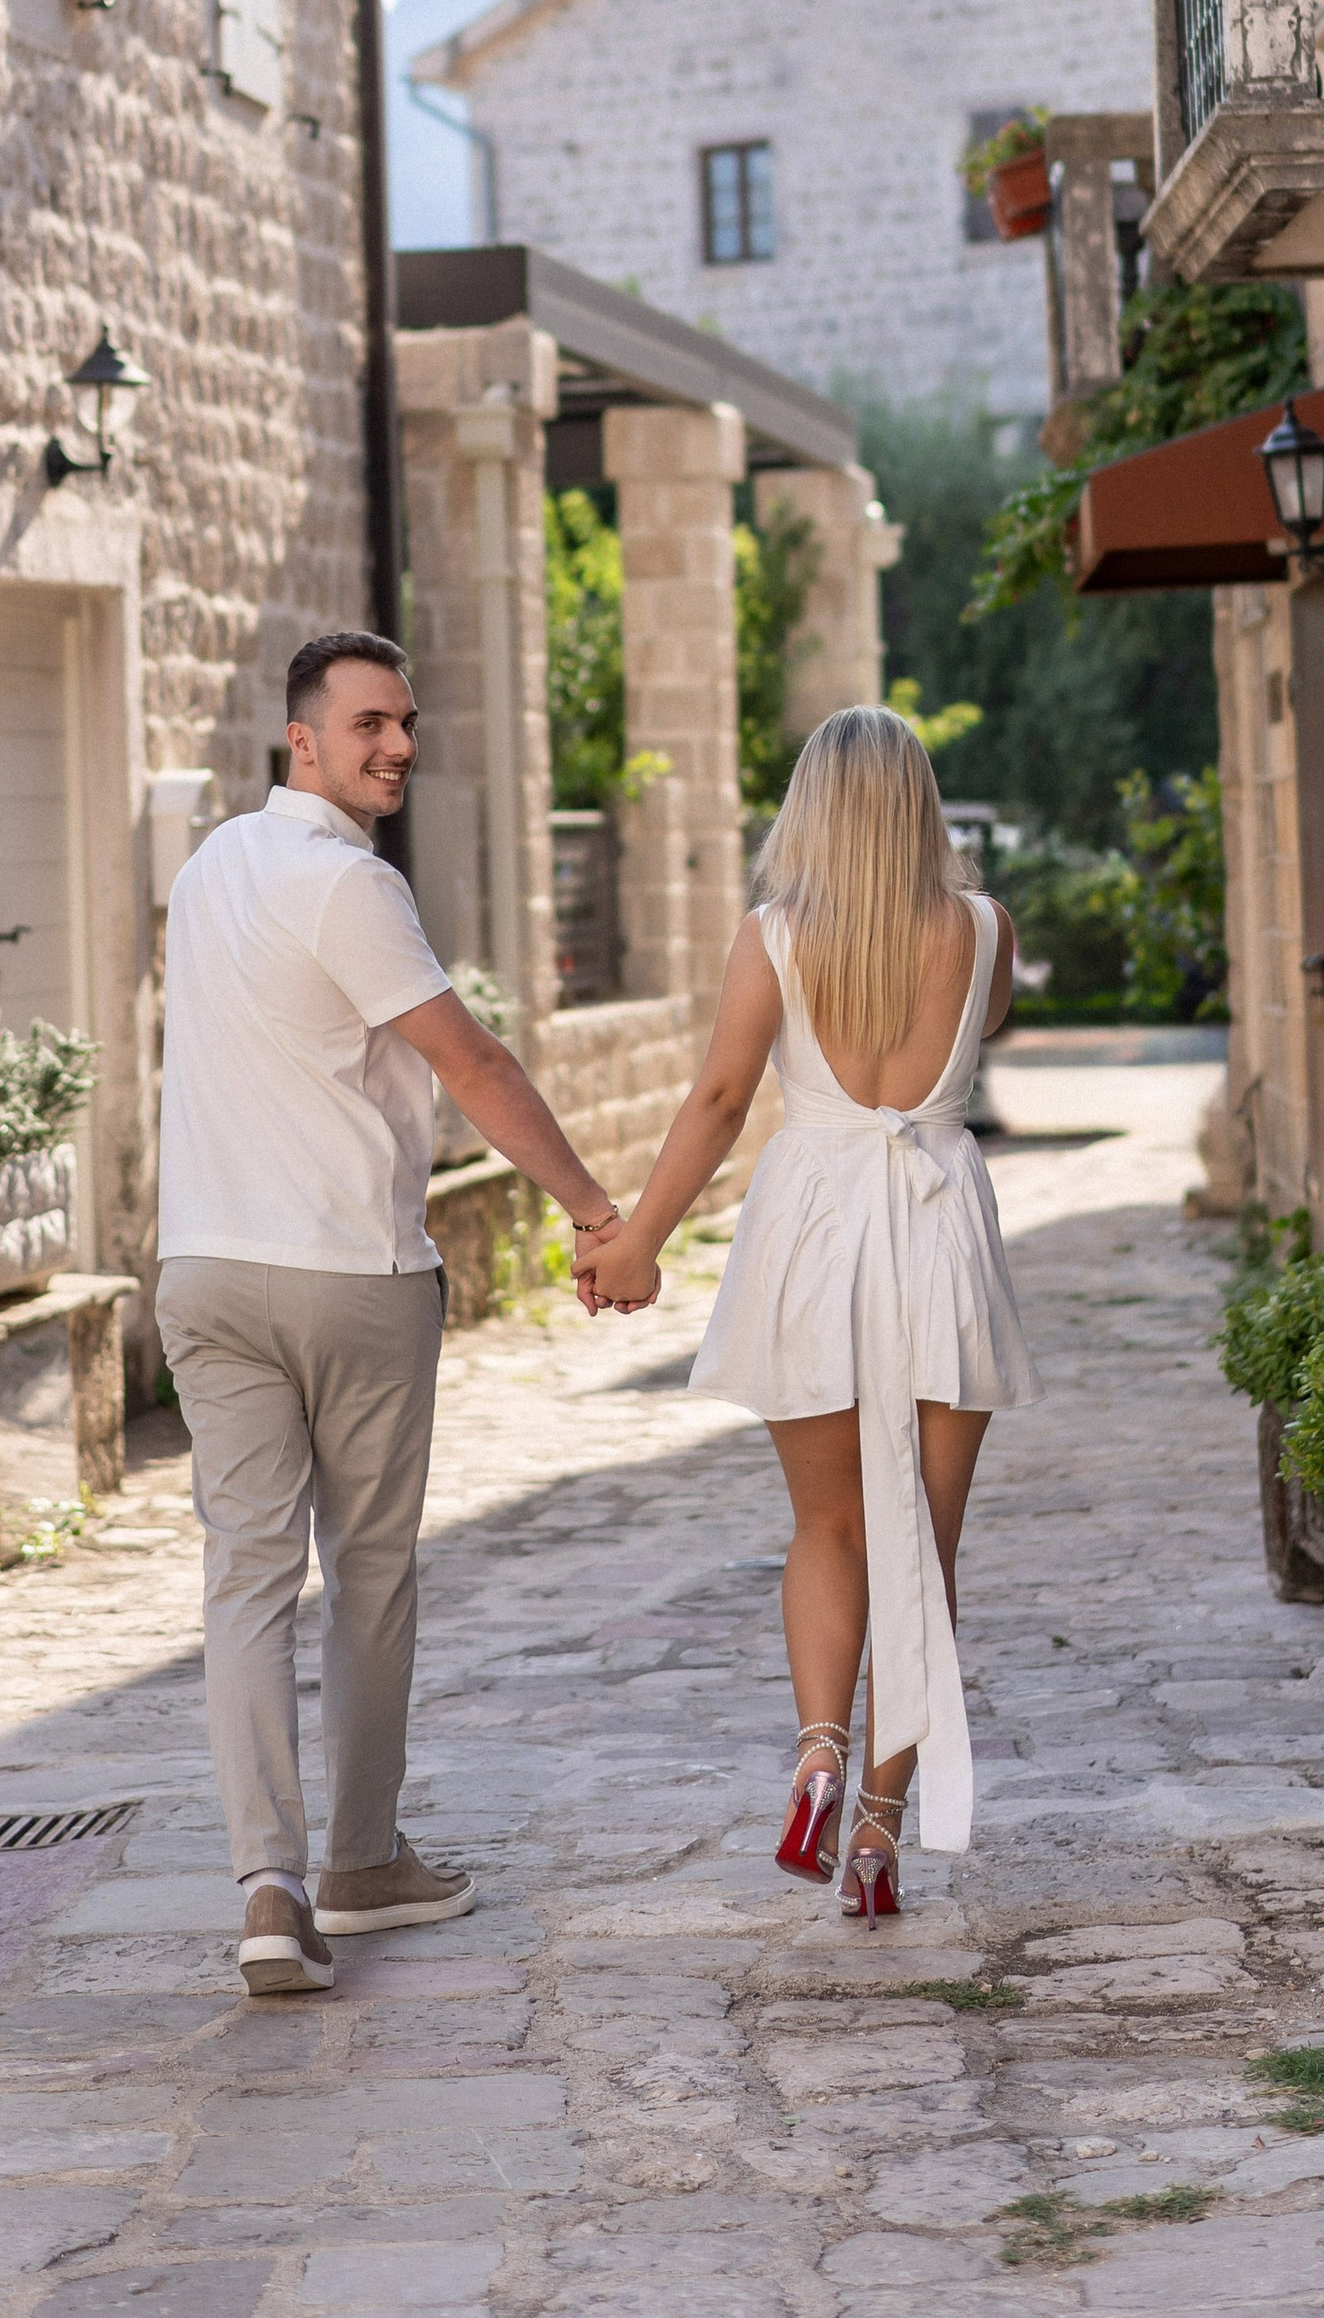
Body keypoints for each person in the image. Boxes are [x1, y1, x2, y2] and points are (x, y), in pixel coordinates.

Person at [157, 628, 652, 1999]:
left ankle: (268, 1888)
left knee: (246, 1580)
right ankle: (358, 1865)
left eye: (407, 722)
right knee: (366, 1574)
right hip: (346, 1275)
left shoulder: (207, 874)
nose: (398, 746)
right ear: (299, 740)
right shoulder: (345, 884)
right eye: (368, 723)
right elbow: (474, 1063)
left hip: (201, 1269)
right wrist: (601, 1214)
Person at [583, 703, 1032, 1922]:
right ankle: (878, 1844)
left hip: (814, 1230)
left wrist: (635, 1244)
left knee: (828, 1524)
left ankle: (820, 1753)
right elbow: (984, 1024)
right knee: (920, 1561)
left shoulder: (773, 938)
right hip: (936, 1227)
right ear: (919, 806)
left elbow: (722, 1096)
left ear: (813, 811)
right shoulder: (984, 932)